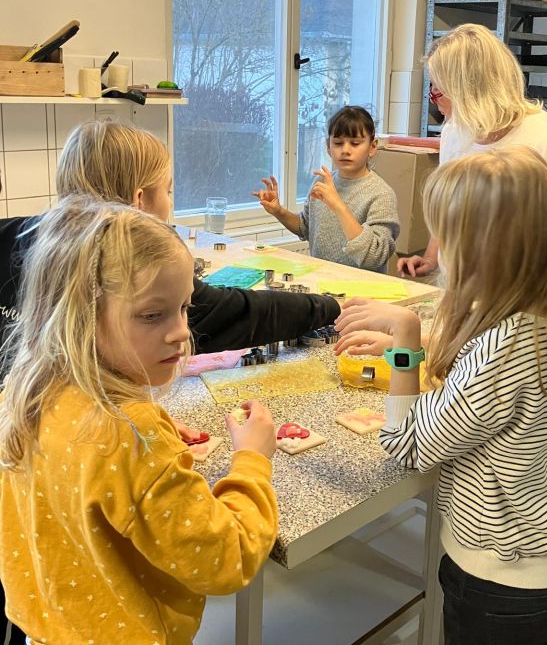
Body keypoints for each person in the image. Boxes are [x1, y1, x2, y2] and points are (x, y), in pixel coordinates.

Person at [0, 197, 278, 644]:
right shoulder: (132, 437)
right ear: (80, 317)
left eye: (185, 307)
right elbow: (229, 558)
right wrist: (252, 460)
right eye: (152, 315)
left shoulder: (22, 393)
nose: (182, 331)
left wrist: (155, 439)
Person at [338, 148, 547, 644]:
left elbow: (406, 444)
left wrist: (406, 342)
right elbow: (492, 370)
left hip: (496, 584)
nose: (438, 249)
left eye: (446, 236)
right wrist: (422, 342)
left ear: (485, 250)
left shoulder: (502, 350)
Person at [0, 121, 341, 353]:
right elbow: (241, 314)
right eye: (167, 191)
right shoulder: (140, 269)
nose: (169, 203)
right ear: (138, 202)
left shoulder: (17, 233)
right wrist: (333, 307)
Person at [397, 22, 547, 278]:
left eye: (438, 90)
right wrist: (431, 257)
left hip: (518, 292)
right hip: (461, 285)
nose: (434, 100)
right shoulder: (455, 130)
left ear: (468, 90)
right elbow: (450, 207)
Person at [253, 106, 399, 273]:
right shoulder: (322, 181)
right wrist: (278, 211)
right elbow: (306, 227)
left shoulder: (381, 194)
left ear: (372, 147)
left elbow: (374, 256)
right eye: (338, 143)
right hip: (321, 281)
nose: (345, 150)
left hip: (361, 287)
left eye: (355, 143)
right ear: (329, 147)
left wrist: (338, 205)